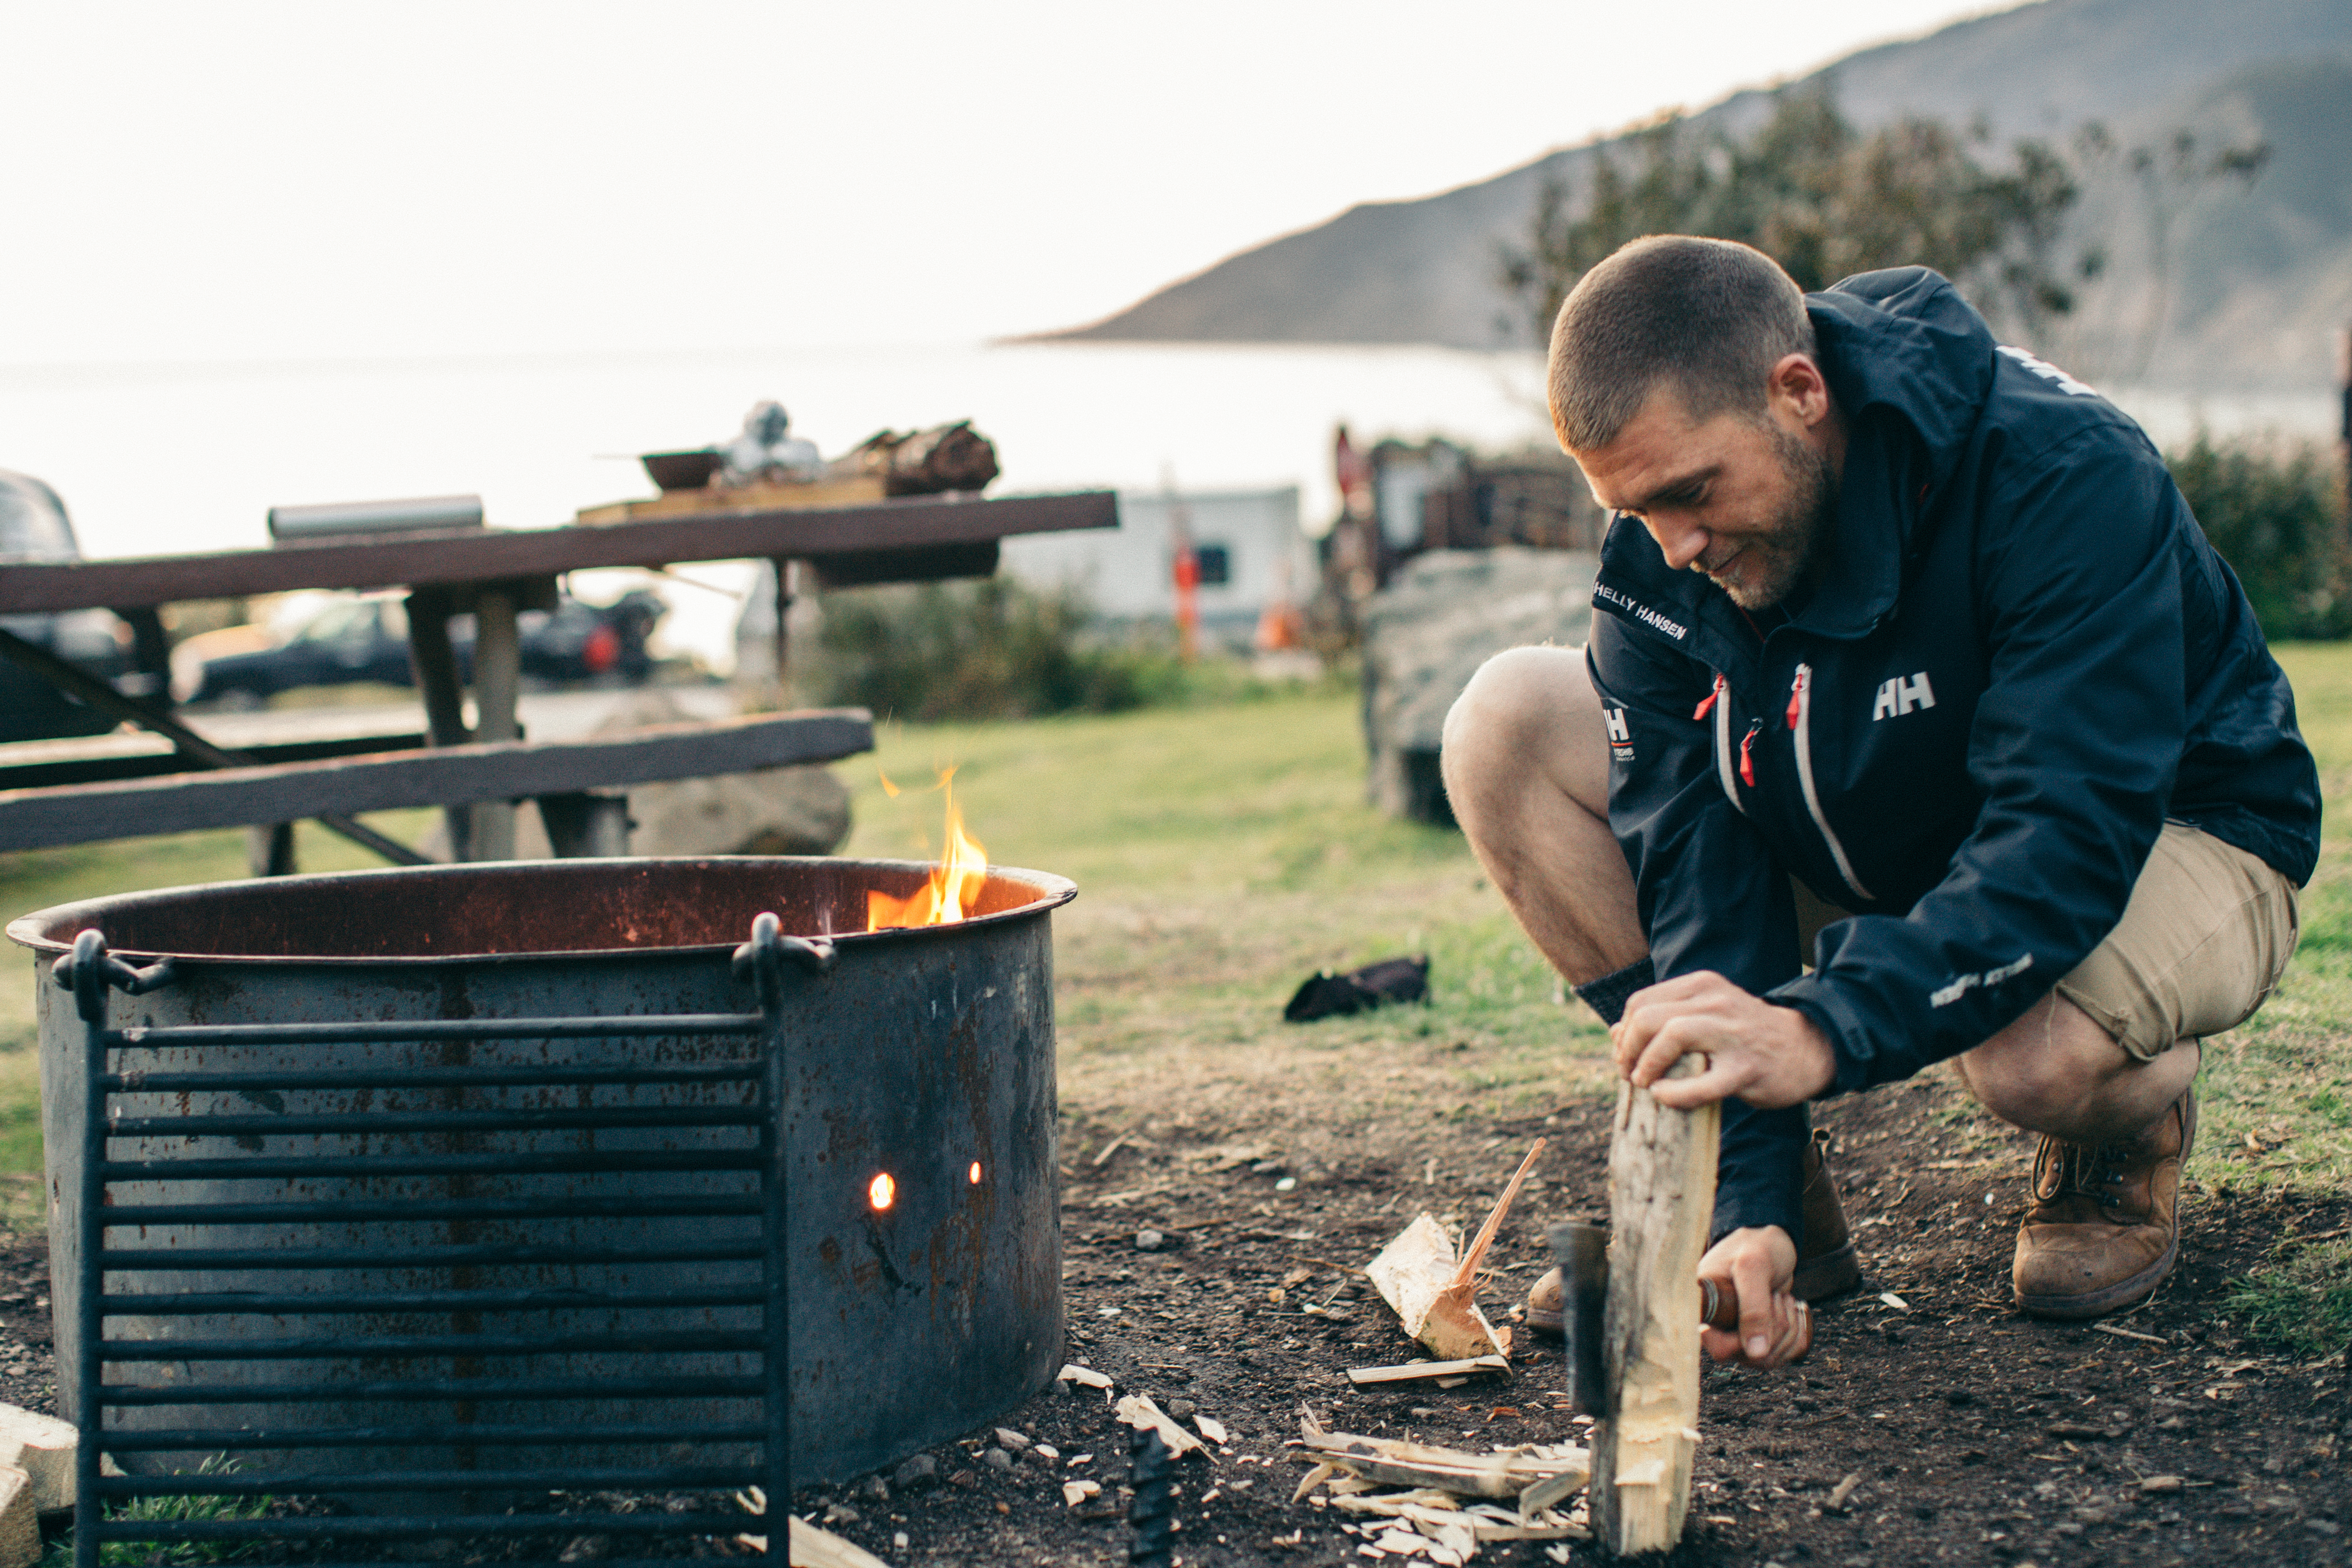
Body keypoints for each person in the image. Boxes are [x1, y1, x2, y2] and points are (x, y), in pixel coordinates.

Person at [1440, 236, 2317, 1370]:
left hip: (2167, 827)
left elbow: (2060, 837)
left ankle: (2123, 1122)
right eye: (1634, 509)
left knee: (2028, 1057)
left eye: (1690, 494)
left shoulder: (2059, 470)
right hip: (1876, 824)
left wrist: (1816, 1024)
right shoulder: (1659, 557)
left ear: (1797, 393)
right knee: (1504, 719)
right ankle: (1763, 1207)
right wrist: (1744, 1190)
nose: (1674, 547)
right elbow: (1695, 870)